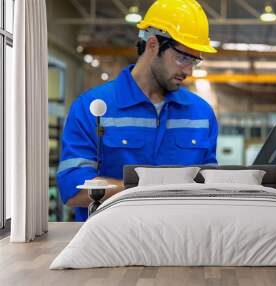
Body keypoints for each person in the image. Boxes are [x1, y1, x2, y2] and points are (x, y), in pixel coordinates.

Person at [56, 0, 218, 221]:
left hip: (182, 243)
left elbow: (210, 186)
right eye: (182, 58)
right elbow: (72, 189)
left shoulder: (201, 114)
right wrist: (149, 191)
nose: (188, 70)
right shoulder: (92, 108)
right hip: (108, 244)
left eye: (195, 61)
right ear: (152, 45)